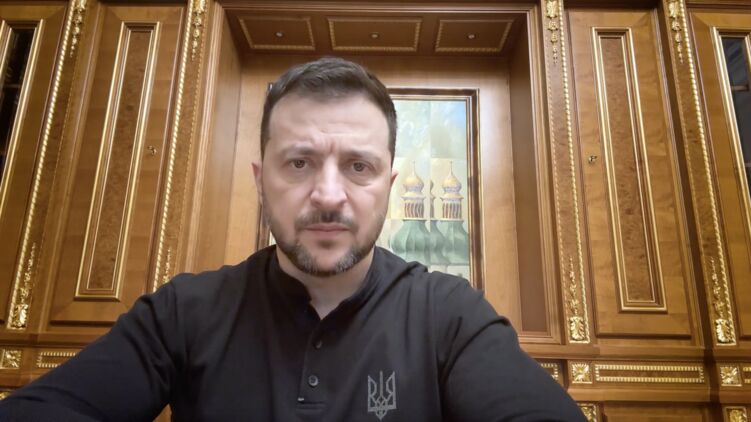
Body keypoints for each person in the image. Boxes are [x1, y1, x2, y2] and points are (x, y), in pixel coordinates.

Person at [0, 57, 584, 421]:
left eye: (358, 166)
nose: (328, 195)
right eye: (299, 163)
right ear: (261, 180)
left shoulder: (450, 315)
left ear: (388, 185)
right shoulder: (184, 312)